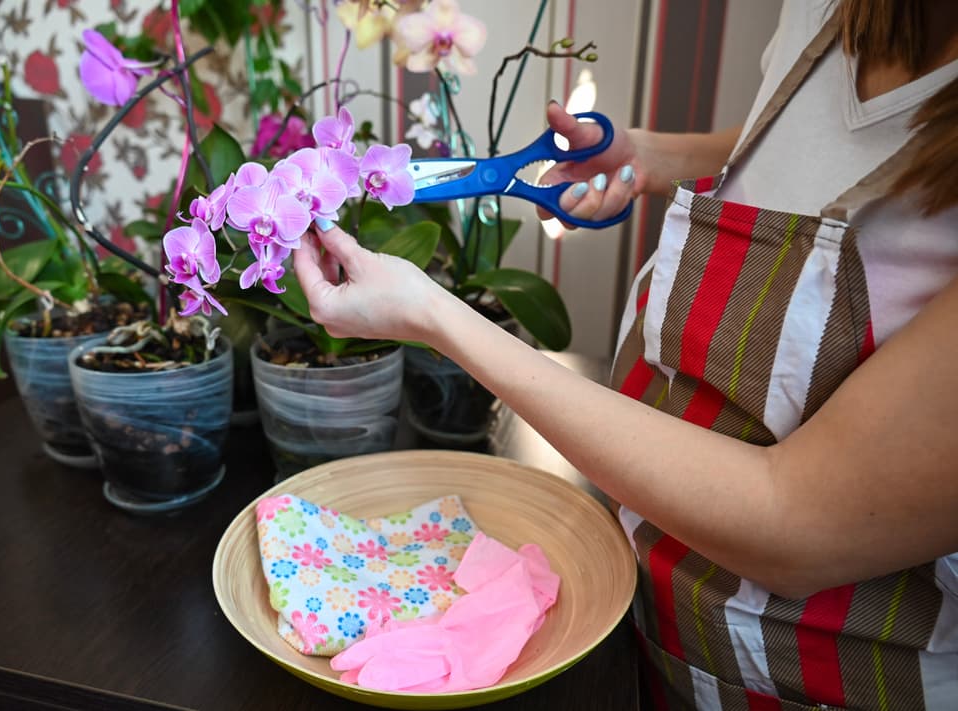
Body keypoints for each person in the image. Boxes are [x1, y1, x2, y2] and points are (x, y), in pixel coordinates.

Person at [294, 1, 958, 707]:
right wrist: (648, 156)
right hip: (642, 622)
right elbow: (802, 138)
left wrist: (435, 315)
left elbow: (793, 522)